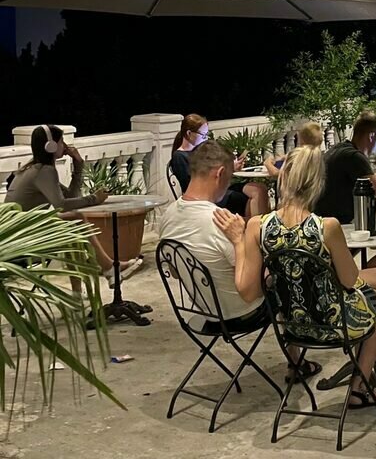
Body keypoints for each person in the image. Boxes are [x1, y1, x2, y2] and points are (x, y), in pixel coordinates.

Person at [225, 145, 376, 409]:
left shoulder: (258, 225)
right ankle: (368, 383)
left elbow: (248, 292)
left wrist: (239, 242)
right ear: (318, 182)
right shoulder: (327, 227)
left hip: (292, 327)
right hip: (333, 324)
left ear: (284, 178)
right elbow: (349, 281)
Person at [159, 141, 312, 381]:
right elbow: (252, 286)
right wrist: (242, 240)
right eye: (230, 178)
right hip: (240, 312)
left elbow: (176, 272)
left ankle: (297, 361)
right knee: (287, 274)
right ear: (220, 173)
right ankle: (297, 362)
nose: (229, 184)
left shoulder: (168, 216)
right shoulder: (221, 221)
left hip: (203, 310)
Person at [5, 125, 142, 288]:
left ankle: (88, 285)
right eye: (61, 141)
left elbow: (70, 198)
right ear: (51, 146)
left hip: (18, 234)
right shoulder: (44, 171)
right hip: (22, 240)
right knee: (76, 220)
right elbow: (62, 205)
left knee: (71, 229)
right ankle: (109, 268)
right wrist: (94, 198)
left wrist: (78, 166)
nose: (65, 145)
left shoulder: (35, 168)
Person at [314, 111, 376, 269]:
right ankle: (359, 280)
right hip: (338, 226)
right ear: (371, 136)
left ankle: (353, 277)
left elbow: (368, 178)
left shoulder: (341, 149)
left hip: (324, 221)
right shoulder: (354, 157)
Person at [171, 114, 270, 219]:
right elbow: (191, 184)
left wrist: (231, 167)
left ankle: (260, 225)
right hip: (208, 194)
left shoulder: (201, 151)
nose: (205, 139)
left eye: (207, 135)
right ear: (189, 133)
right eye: (203, 135)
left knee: (259, 189)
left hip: (222, 185)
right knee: (244, 198)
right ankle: (251, 226)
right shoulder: (179, 156)